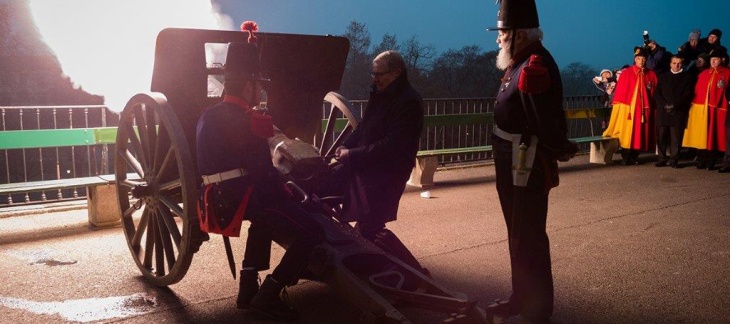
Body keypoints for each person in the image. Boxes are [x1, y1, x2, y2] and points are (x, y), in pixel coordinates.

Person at [196, 40, 323, 322]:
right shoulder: (250, 119)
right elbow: (263, 174)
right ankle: (270, 294)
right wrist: (287, 192)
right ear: (248, 86)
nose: (260, 90)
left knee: (264, 220)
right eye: (258, 84)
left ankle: (248, 286)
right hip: (243, 196)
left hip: (215, 197)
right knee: (311, 232)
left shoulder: (208, 114)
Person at [484, 0, 577, 322]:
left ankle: (536, 311)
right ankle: (519, 298)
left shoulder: (535, 64)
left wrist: (559, 149)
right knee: (517, 235)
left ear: (519, 34)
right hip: (511, 160)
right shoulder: (520, 61)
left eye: (502, 33)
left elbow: (544, 123)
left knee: (530, 238)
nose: (498, 38)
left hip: (524, 163)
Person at [333, 50, 429, 276]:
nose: (374, 79)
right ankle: (378, 271)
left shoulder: (409, 101)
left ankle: (417, 274)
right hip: (369, 167)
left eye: (379, 74)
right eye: (373, 74)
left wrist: (353, 155)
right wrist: (346, 145)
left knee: (371, 228)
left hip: (389, 173)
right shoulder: (380, 93)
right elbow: (364, 127)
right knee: (366, 228)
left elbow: (392, 146)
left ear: (396, 74)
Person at [602, 47, 658, 165]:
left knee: (640, 134)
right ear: (635, 59)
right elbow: (621, 94)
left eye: (643, 58)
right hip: (629, 110)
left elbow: (654, 93)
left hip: (643, 110)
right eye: (639, 58)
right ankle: (626, 157)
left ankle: (635, 156)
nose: (641, 61)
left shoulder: (651, 74)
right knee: (628, 134)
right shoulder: (627, 73)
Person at [682, 48, 730, 170]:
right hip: (702, 110)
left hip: (718, 110)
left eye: (716, 59)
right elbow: (697, 92)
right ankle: (701, 159)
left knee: (713, 136)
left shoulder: (727, 73)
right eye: (712, 60)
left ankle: (711, 161)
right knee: (702, 135)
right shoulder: (703, 74)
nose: (713, 62)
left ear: (722, 60)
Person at [654, 55, 695, 168]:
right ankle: (661, 159)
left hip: (678, 111)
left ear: (682, 64)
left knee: (676, 138)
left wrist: (674, 105)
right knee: (661, 137)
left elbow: (687, 95)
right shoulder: (662, 77)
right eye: (674, 63)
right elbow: (657, 93)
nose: (677, 65)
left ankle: (674, 160)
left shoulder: (688, 77)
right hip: (663, 111)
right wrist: (664, 105)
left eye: (679, 63)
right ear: (670, 64)